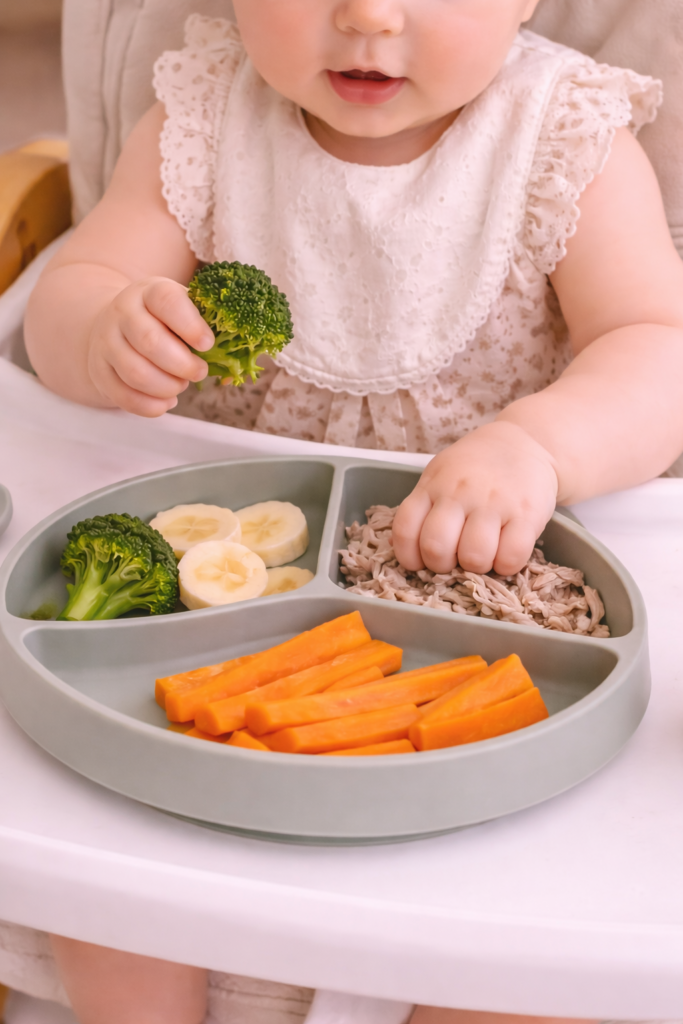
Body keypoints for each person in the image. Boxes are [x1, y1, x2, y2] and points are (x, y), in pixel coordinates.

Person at [24, 0, 683, 1021]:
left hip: (474, 579)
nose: (367, 14)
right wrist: (101, 329)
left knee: (554, 924)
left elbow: (652, 345)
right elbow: (80, 283)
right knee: (90, 825)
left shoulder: (565, 135)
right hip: (228, 582)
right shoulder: (202, 110)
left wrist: (540, 446)